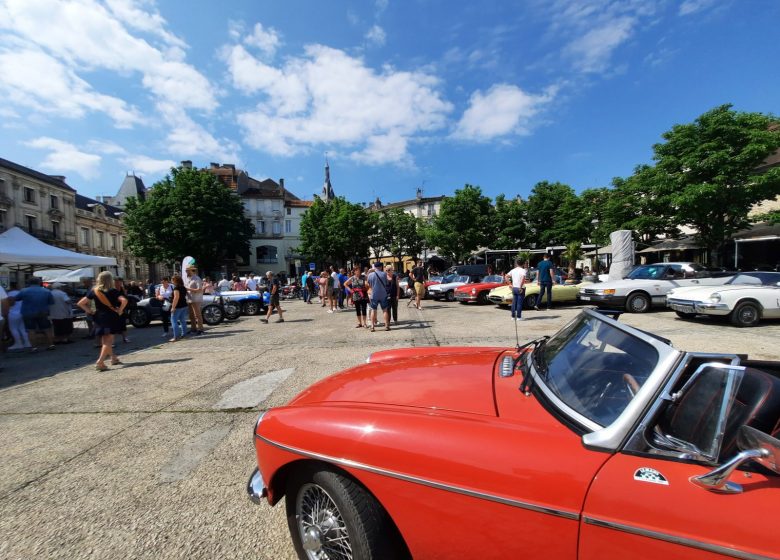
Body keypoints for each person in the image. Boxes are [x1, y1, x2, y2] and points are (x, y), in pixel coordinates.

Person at [78, 271, 127, 371]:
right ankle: (100, 362)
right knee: (108, 341)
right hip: (111, 317)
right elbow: (124, 300)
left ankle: (113, 358)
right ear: (110, 280)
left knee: (105, 340)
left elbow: (80, 303)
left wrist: (90, 311)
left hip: (99, 317)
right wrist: (120, 310)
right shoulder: (113, 291)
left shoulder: (94, 291)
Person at [13, 277, 55, 350]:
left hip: (28, 313)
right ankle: (51, 344)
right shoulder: (46, 291)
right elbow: (51, 302)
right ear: (39, 283)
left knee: (31, 330)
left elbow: (16, 299)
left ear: (29, 283)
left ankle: (34, 347)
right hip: (43, 312)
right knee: (47, 329)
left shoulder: (24, 291)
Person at [367, 262, 391, 332]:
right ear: (380, 267)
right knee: (385, 310)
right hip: (383, 294)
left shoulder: (370, 275)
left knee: (373, 310)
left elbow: (369, 284)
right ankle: (386, 325)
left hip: (374, 294)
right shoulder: (384, 274)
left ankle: (372, 326)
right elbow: (387, 283)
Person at [169, 275, 189, 341]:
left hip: (178, 306)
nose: (171, 281)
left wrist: (173, 307)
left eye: (172, 280)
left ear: (175, 280)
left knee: (174, 321)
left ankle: (176, 337)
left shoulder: (176, 288)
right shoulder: (183, 287)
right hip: (184, 305)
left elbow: (176, 298)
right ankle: (184, 335)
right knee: (183, 321)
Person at [186, 265, 204, 335]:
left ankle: (200, 329)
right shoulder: (189, 279)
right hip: (190, 299)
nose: (186, 272)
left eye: (187, 270)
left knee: (197, 315)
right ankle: (193, 329)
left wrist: (188, 289)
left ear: (191, 270)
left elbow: (199, 289)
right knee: (191, 315)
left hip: (196, 299)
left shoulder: (197, 278)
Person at [114, 277, 131, 343]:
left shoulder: (122, 288)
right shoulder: (112, 289)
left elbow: (125, 297)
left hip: (122, 307)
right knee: (114, 324)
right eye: (117, 282)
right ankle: (112, 341)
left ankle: (125, 338)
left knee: (123, 323)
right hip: (114, 308)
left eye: (120, 282)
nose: (119, 283)